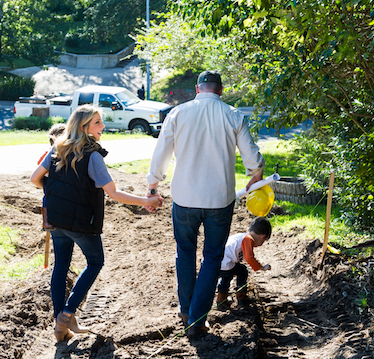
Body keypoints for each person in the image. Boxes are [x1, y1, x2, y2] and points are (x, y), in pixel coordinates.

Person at [146, 70, 265, 337]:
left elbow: (161, 151)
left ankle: (186, 310)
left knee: (184, 254)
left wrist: (153, 184)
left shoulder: (178, 113)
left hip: (185, 199)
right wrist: (255, 174)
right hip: (219, 201)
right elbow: (252, 157)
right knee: (212, 258)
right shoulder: (233, 114)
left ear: (197, 89)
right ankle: (197, 320)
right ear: (220, 90)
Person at [31, 105, 163, 343]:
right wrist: (146, 200)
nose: (103, 127)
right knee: (95, 262)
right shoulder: (92, 155)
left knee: (60, 268)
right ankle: (68, 313)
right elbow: (113, 193)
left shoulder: (58, 148)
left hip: (57, 220)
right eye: (98, 123)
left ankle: (59, 325)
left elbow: (35, 179)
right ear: (84, 127)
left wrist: (56, 194)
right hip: (81, 223)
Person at [217, 217, 272, 309]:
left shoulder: (241, 236)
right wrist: (261, 267)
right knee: (242, 271)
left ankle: (221, 299)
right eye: (264, 241)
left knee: (227, 277)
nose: (262, 243)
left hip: (218, 262)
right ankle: (241, 298)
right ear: (262, 236)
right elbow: (249, 257)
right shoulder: (248, 239)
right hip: (225, 263)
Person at [38, 122, 67, 229]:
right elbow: (40, 165)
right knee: (46, 199)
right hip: (50, 181)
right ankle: (46, 221)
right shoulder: (48, 154)